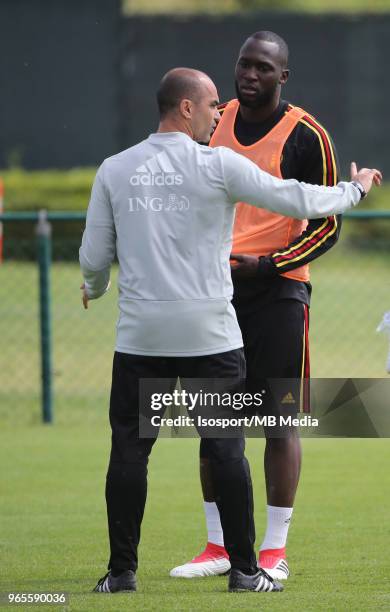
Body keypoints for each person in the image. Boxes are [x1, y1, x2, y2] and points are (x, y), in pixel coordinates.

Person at [79, 66, 380, 595]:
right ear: (187, 108)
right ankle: (244, 571)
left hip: (140, 336)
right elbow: (296, 198)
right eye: (213, 103)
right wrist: (353, 192)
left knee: (128, 451)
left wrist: (94, 287)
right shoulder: (218, 165)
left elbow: (94, 257)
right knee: (225, 448)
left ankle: (121, 572)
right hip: (208, 335)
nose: (221, 113)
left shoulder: (115, 168)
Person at [169, 31, 361, 581]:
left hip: (278, 291)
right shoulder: (212, 120)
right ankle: (219, 547)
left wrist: (272, 266)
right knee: (213, 419)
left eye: (262, 67)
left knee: (279, 420)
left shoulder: (308, 135)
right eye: (242, 64)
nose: (249, 75)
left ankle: (273, 551)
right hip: (213, 289)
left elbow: (327, 226)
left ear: (283, 77)